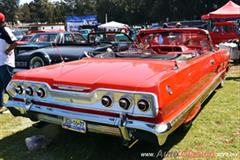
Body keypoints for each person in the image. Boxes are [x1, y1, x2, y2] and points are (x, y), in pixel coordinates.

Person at [0, 12, 17, 113]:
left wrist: (8, 50)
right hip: (0, 63)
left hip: (6, 63)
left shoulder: (5, 30)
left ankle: (14, 104)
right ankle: (1, 105)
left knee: (9, 86)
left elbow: (14, 42)